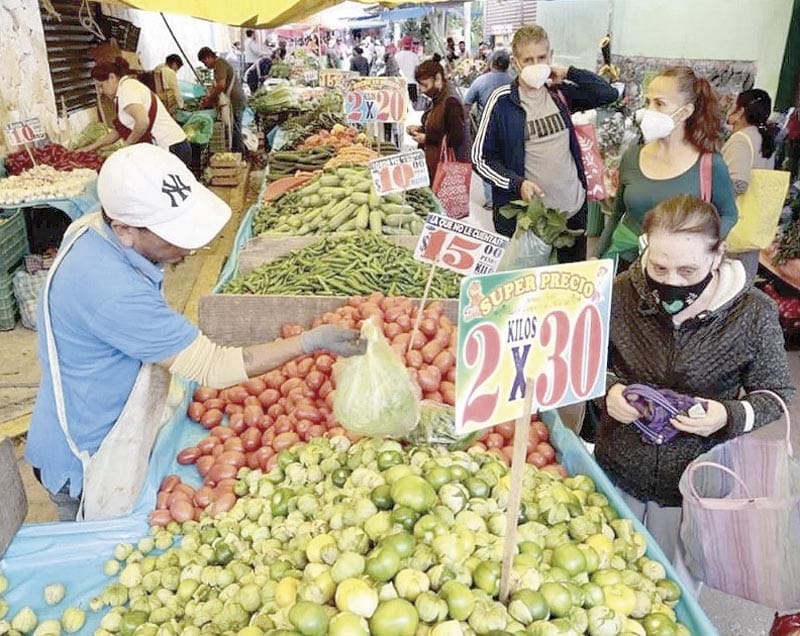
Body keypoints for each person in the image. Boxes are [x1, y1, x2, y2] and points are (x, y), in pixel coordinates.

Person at [25, 145, 364, 521]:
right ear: (124, 230)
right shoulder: (111, 290)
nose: (187, 247)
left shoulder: (97, 226)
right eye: (172, 236)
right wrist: (308, 341)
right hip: (89, 453)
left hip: (99, 406)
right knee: (96, 538)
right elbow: (212, 367)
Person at [596, 193, 793, 588]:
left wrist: (728, 415)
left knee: (675, 589)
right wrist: (609, 391)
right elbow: (589, 364)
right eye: (659, 267)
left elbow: (775, 393)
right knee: (606, 579)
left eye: (688, 271)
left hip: (694, 486)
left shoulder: (752, 313)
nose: (671, 281)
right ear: (645, 248)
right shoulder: (620, 294)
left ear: (717, 255)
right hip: (619, 471)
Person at [472, 25, 617, 263]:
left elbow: (608, 94)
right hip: (531, 222)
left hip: (572, 215)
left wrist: (569, 72)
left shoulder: (559, 94)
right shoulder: (502, 102)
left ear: (550, 56)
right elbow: (480, 158)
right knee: (527, 284)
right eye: (528, 60)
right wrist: (517, 184)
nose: (536, 65)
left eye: (541, 58)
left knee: (569, 282)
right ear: (516, 63)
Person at [596, 66, 738, 267]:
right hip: (624, 262)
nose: (649, 111)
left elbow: (730, 214)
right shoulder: (632, 157)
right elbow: (617, 215)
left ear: (685, 112)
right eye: (647, 102)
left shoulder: (709, 165)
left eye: (660, 103)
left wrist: (703, 246)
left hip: (676, 270)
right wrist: (596, 257)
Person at [84, 58, 192, 167]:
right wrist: (90, 148)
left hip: (172, 148)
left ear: (112, 77)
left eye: (101, 86)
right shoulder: (125, 89)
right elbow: (118, 131)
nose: (101, 91)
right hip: (174, 146)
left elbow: (143, 122)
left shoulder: (127, 90)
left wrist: (125, 147)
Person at [722, 88, 778, 278]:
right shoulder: (763, 139)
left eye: (733, 105)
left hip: (735, 225)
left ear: (741, 111)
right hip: (753, 225)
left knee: (727, 278)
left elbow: (739, 184)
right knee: (742, 278)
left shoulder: (741, 139)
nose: (729, 109)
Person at [465, 50, 514, 210]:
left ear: (491, 63)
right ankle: (509, 196)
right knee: (508, 162)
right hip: (512, 129)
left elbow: (466, 106)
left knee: (486, 161)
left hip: (486, 129)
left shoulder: (481, 81)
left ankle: (491, 200)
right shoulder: (514, 81)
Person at [408, 60, 469, 183]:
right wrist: (421, 128)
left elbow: (456, 138)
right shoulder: (439, 97)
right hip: (434, 165)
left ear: (437, 78)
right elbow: (440, 126)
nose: (422, 90)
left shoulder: (451, 101)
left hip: (445, 169)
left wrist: (427, 139)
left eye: (425, 85)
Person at [198, 47, 246, 154]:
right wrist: (209, 96)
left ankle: (238, 154)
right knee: (235, 127)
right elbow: (217, 85)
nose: (205, 65)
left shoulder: (219, 64)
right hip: (235, 98)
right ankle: (239, 152)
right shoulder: (219, 65)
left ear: (208, 57)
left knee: (235, 128)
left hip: (235, 100)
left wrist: (210, 99)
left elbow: (221, 85)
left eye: (204, 62)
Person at [395, 35, 420, 105]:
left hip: (400, 83)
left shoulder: (397, 56)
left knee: (400, 106)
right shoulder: (415, 56)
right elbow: (417, 70)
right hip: (412, 83)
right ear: (411, 44)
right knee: (413, 107)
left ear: (402, 44)